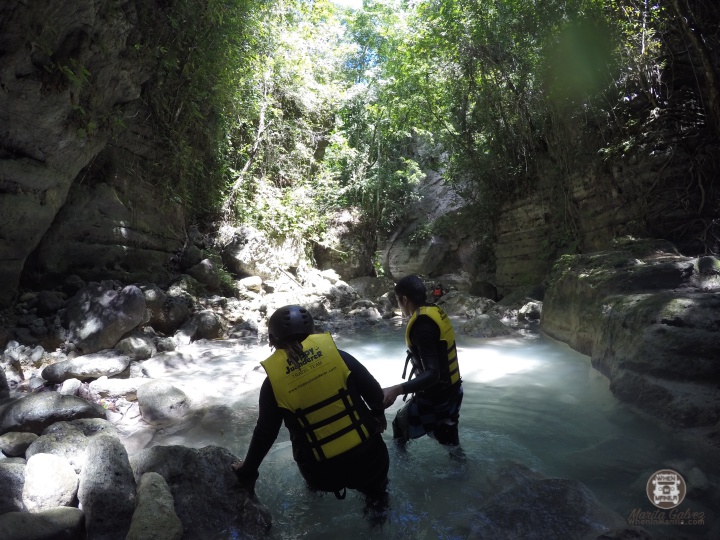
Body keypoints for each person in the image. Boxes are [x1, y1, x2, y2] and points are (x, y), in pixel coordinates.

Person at [232, 305, 389, 520]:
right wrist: (379, 416)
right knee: (377, 499)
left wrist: (248, 470)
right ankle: (378, 515)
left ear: (272, 341)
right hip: (369, 460)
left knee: (314, 487)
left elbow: (265, 434)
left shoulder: (272, 385)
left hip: (321, 473)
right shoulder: (341, 358)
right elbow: (375, 394)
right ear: (313, 332)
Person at [383, 275, 463, 452]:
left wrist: (397, 389)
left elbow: (433, 373)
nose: (398, 305)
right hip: (453, 390)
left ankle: (401, 469)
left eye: (398, 300)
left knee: (400, 424)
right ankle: (460, 469)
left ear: (404, 299)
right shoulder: (433, 310)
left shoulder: (422, 326)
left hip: (437, 396)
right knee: (448, 436)